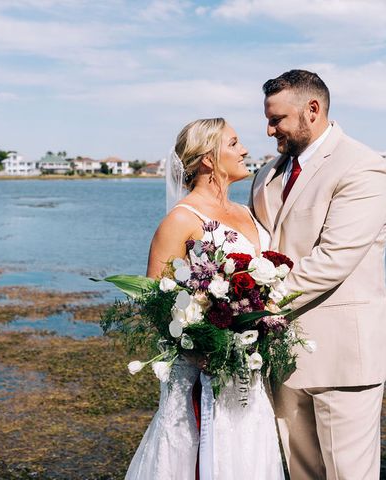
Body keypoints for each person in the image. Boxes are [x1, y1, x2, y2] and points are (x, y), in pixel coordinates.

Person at [250, 69, 386, 480]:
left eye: (276, 119)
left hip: (343, 358)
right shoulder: (266, 176)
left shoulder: (362, 167)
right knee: (302, 474)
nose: (268, 129)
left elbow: (334, 258)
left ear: (311, 110)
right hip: (281, 356)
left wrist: (252, 306)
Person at [125, 118, 285, 479]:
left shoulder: (246, 212)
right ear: (209, 159)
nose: (244, 150)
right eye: (234, 143)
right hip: (204, 374)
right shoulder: (181, 220)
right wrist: (200, 346)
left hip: (248, 370)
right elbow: (155, 300)